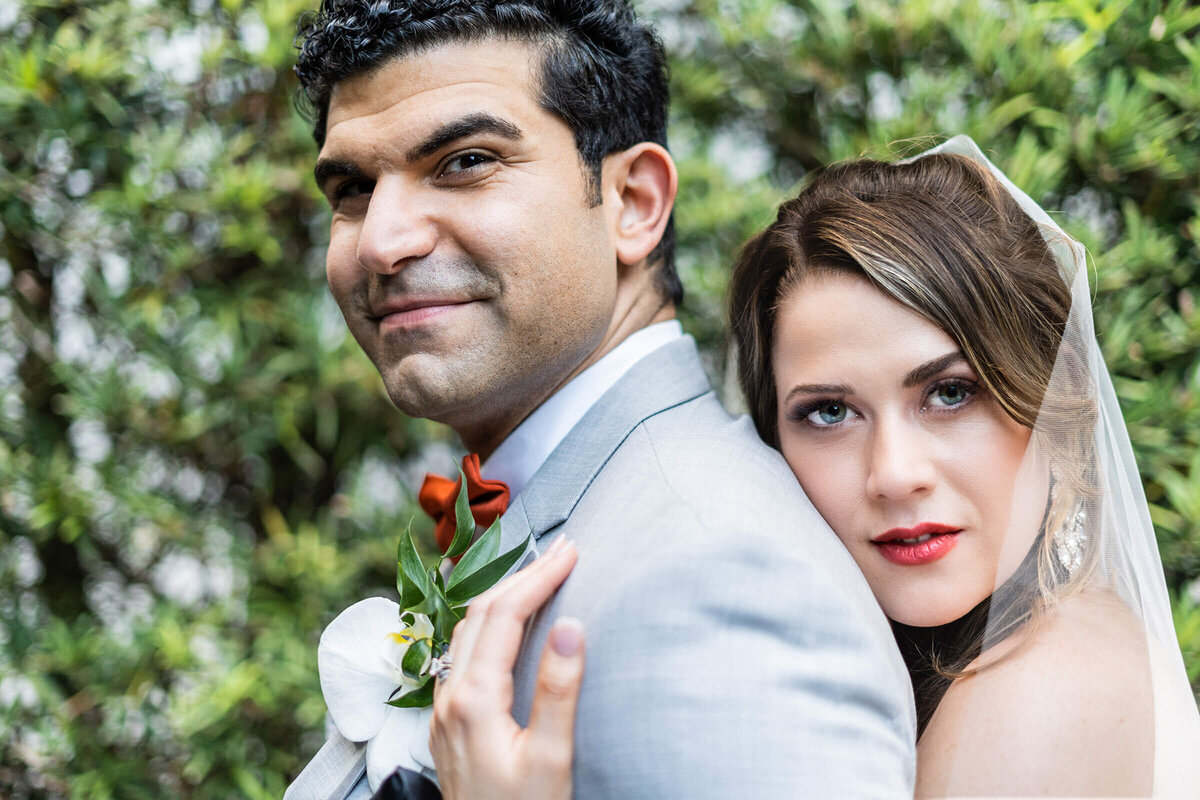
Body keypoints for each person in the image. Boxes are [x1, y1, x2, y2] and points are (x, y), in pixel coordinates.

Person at [430, 136, 1200, 797]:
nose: (894, 474)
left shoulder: (1042, 690)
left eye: (950, 393)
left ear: (1054, 407)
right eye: (829, 412)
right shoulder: (967, 657)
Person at [284, 1, 916, 799]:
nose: (381, 241)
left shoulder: (716, 576)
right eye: (351, 188)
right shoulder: (574, 516)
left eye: (465, 161)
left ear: (634, 202)